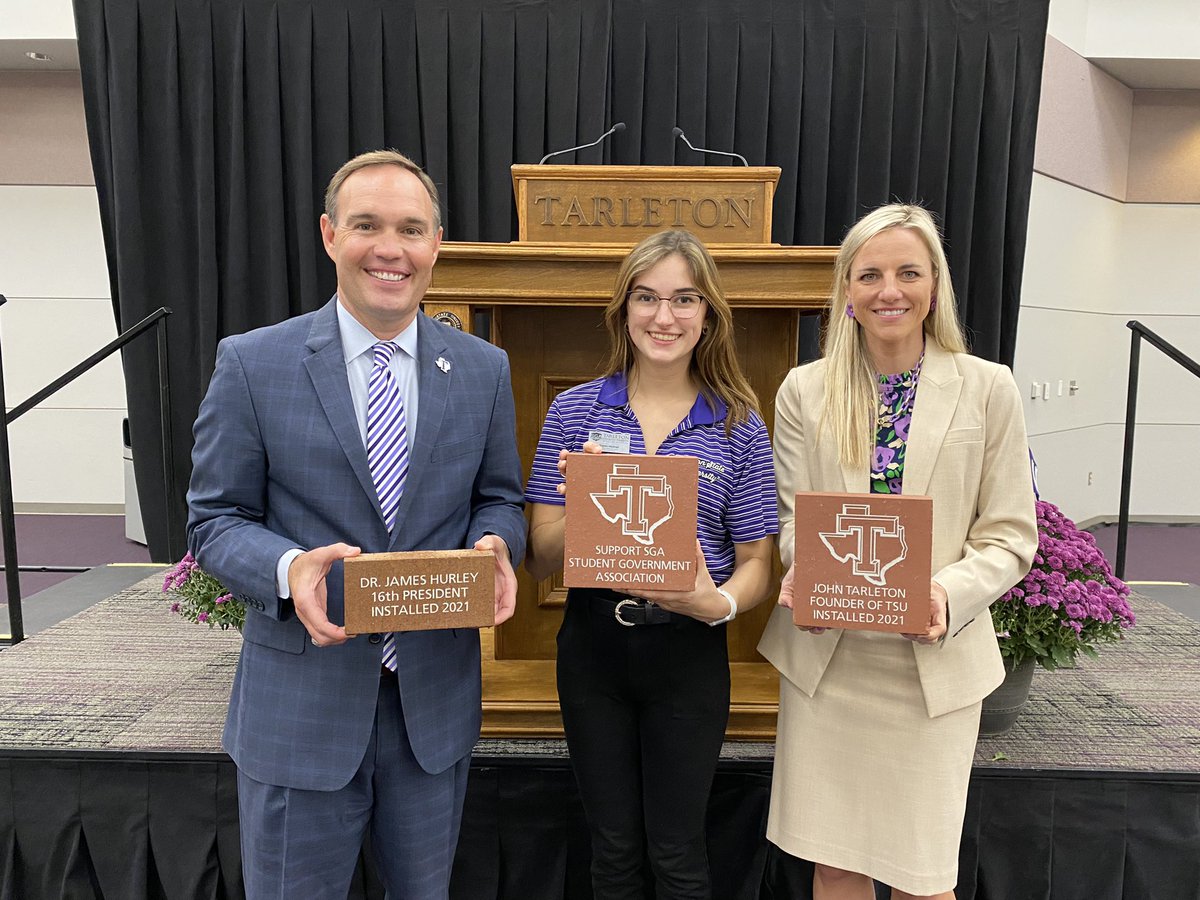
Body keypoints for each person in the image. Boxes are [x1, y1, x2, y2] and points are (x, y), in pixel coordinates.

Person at [186, 149, 526, 899]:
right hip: (299, 712)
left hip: (430, 710)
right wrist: (289, 568)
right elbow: (215, 521)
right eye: (367, 225)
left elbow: (500, 498)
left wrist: (497, 545)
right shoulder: (253, 364)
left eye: (411, 229)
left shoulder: (483, 370)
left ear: (437, 243)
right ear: (330, 235)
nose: (389, 248)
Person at [758, 203, 1037, 899]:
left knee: (923, 877)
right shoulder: (804, 391)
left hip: (932, 671)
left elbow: (1009, 536)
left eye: (909, 273)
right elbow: (794, 521)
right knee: (835, 866)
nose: (890, 290)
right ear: (847, 292)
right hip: (830, 665)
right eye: (871, 275)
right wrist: (805, 571)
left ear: (934, 285)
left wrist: (945, 593)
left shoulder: (988, 388)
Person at [524, 229, 778, 899]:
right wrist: (587, 503)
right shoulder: (574, 410)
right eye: (647, 297)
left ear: (708, 314)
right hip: (593, 647)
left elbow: (758, 560)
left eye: (684, 299)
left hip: (689, 650)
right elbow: (539, 558)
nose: (665, 316)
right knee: (611, 852)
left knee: (677, 853)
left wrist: (718, 603)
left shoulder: (739, 424)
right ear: (623, 310)